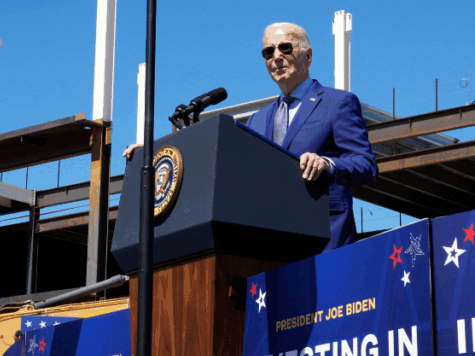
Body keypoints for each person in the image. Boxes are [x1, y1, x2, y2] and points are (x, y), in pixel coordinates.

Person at [126, 22, 377, 252]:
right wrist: (154, 154)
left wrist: (327, 164)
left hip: (326, 241)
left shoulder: (338, 103)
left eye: (285, 48)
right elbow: (224, 167)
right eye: (268, 52)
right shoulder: (258, 120)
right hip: (270, 247)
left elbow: (366, 165)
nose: (276, 57)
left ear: (308, 56)